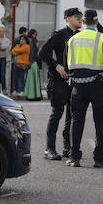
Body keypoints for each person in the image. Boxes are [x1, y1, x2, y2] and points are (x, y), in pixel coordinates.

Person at [65, 9, 103, 168]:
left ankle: (74, 157)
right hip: (97, 86)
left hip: (77, 86)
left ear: (83, 21)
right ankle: (99, 159)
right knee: (100, 123)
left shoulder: (72, 39)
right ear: (97, 21)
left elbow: (67, 65)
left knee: (76, 122)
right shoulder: (102, 38)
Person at [38, 8, 82, 161]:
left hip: (74, 81)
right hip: (59, 81)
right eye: (77, 17)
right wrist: (56, 66)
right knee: (57, 114)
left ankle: (67, 147)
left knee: (71, 116)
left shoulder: (80, 36)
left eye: (81, 17)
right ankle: (49, 148)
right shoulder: (59, 35)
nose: (80, 20)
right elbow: (42, 52)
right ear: (68, 19)